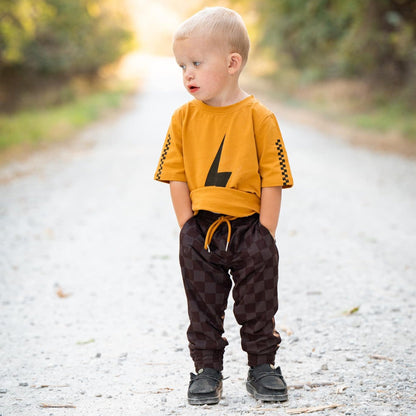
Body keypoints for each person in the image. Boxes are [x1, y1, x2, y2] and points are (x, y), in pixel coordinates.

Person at [154, 6, 293, 405]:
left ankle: (262, 366)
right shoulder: (182, 118)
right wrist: (187, 228)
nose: (188, 74)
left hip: (250, 227)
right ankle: (206, 370)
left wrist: (265, 233)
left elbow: (273, 177)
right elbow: (175, 175)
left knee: (258, 303)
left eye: (197, 63)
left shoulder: (259, 117)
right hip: (202, 228)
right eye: (182, 65)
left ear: (233, 63)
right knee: (203, 304)